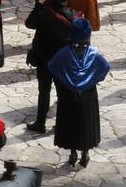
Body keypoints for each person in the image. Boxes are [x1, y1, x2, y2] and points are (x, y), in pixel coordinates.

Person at [47, 18, 110, 167]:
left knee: (70, 124)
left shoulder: (64, 54)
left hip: (68, 95)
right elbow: (104, 69)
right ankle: (85, 154)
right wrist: (92, 79)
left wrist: (64, 80)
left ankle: (73, 153)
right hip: (87, 95)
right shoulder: (94, 55)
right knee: (86, 124)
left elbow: (53, 67)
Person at [24, 0, 73, 134]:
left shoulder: (44, 15)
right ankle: (61, 123)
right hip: (62, 61)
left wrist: (38, 6)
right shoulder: (71, 15)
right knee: (62, 93)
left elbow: (29, 23)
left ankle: (40, 122)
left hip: (44, 59)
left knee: (44, 92)